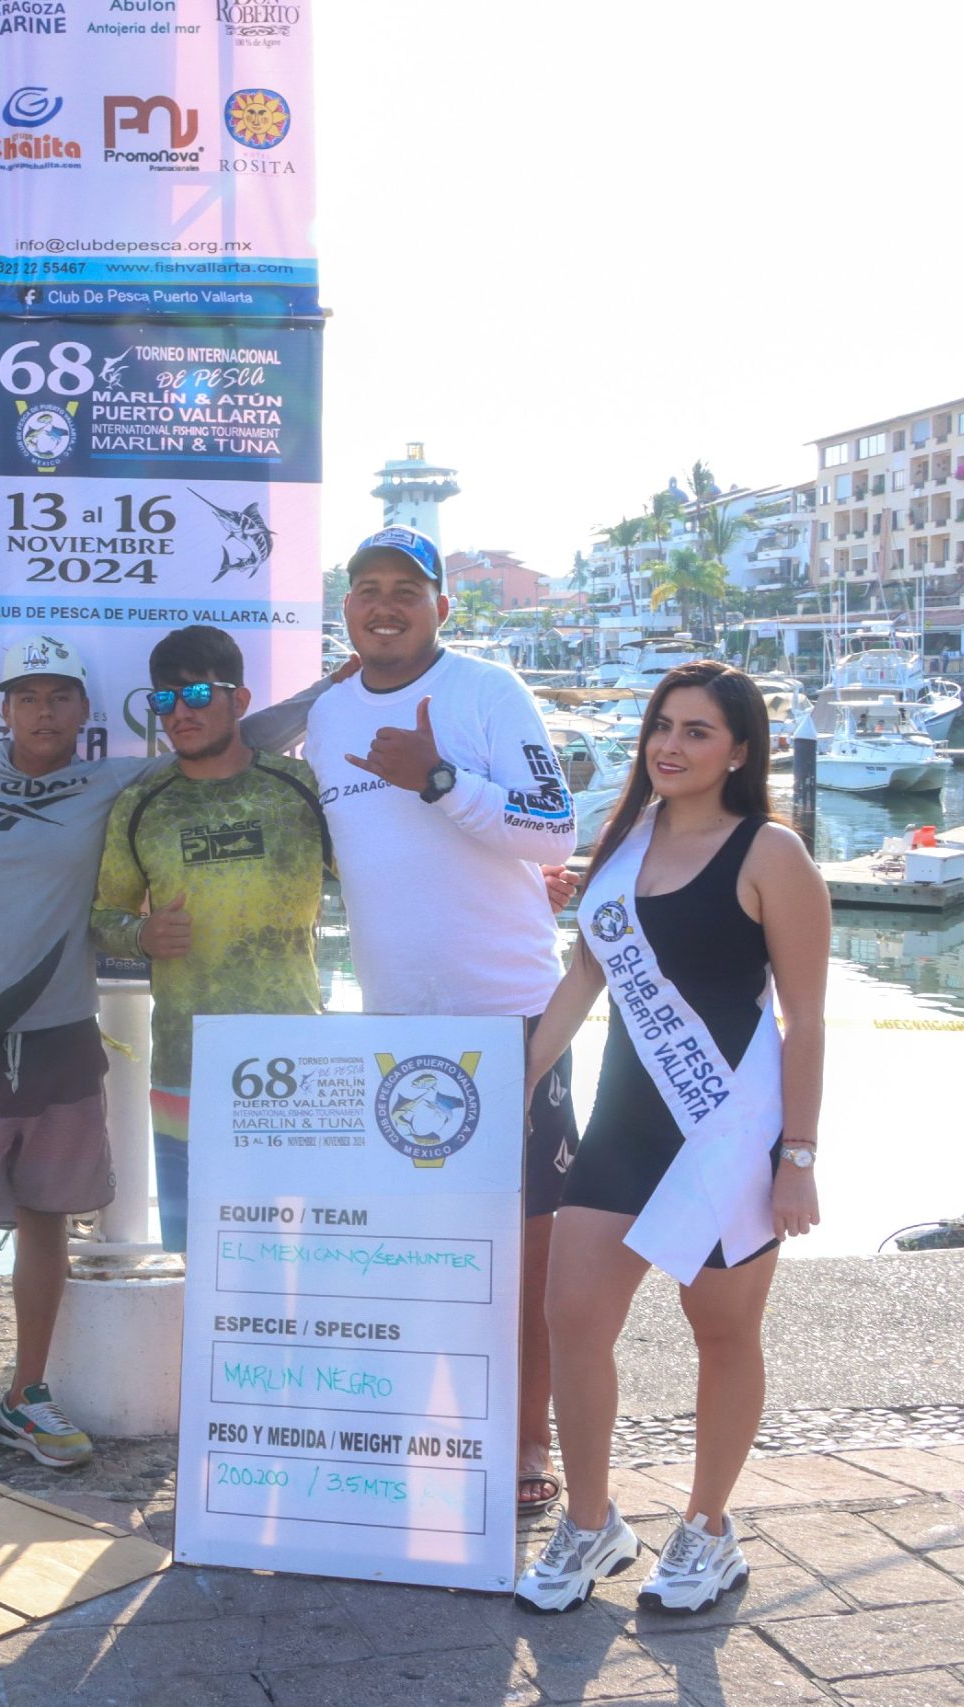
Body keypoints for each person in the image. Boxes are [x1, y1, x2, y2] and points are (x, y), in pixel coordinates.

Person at [0, 634, 332, 1470]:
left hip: (63, 1028)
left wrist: (339, 688)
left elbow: (236, 731)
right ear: (2, 708)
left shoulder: (116, 781)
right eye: (26, 696)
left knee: (46, 1221)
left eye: (60, 695)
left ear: (85, 712)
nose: (43, 710)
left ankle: (29, 1392)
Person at [513, 662, 826, 1616]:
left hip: (728, 1134)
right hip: (623, 1126)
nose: (671, 744)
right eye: (663, 725)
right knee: (573, 1318)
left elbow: (806, 1020)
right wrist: (515, 1084)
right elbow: (581, 984)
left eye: (697, 730)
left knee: (722, 1331)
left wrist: (799, 1157)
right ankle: (593, 1520)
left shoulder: (771, 852)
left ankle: (708, 1529)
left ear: (739, 749)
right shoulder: (623, 848)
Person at [302, 525, 585, 1521]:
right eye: (364, 590)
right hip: (393, 1028)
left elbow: (556, 828)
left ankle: (524, 1437)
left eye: (404, 590)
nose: (383, 604)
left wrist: (437, 779)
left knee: (528, 1249)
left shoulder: (485, 692)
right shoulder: (326, 714)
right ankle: (432, 1428)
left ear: (442, 606)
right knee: (418, 1246)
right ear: (346, 610)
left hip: (511, 1017)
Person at [93, 625, 331, 1257]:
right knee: (196, 1257)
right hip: (184, 1069)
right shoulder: (143, 803)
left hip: (298, 1065)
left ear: (242, 700)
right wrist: (141, 935)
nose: (181, 712)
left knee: (297, 1256)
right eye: (164, 700)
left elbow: (386, 880)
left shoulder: (299, 790)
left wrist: (527, 880)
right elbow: (103, 914)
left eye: (197, 692)